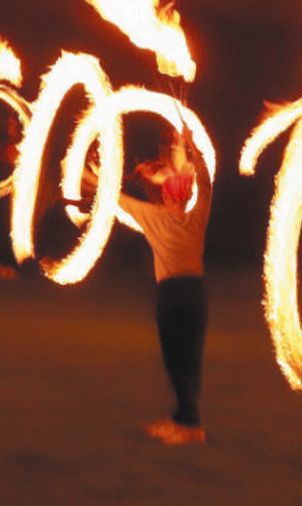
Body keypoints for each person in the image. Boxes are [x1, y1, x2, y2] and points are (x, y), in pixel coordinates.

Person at [87, 126, 213, 446]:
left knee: (176, 360)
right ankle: (183, 420)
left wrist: (90, 172)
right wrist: (189, 145)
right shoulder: (198, 215)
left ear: (169, 193)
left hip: (172, 294)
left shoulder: (151, 216)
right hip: (195, 293)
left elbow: (113, 197)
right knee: (187, 360)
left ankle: (189, 425)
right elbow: (207, 182)